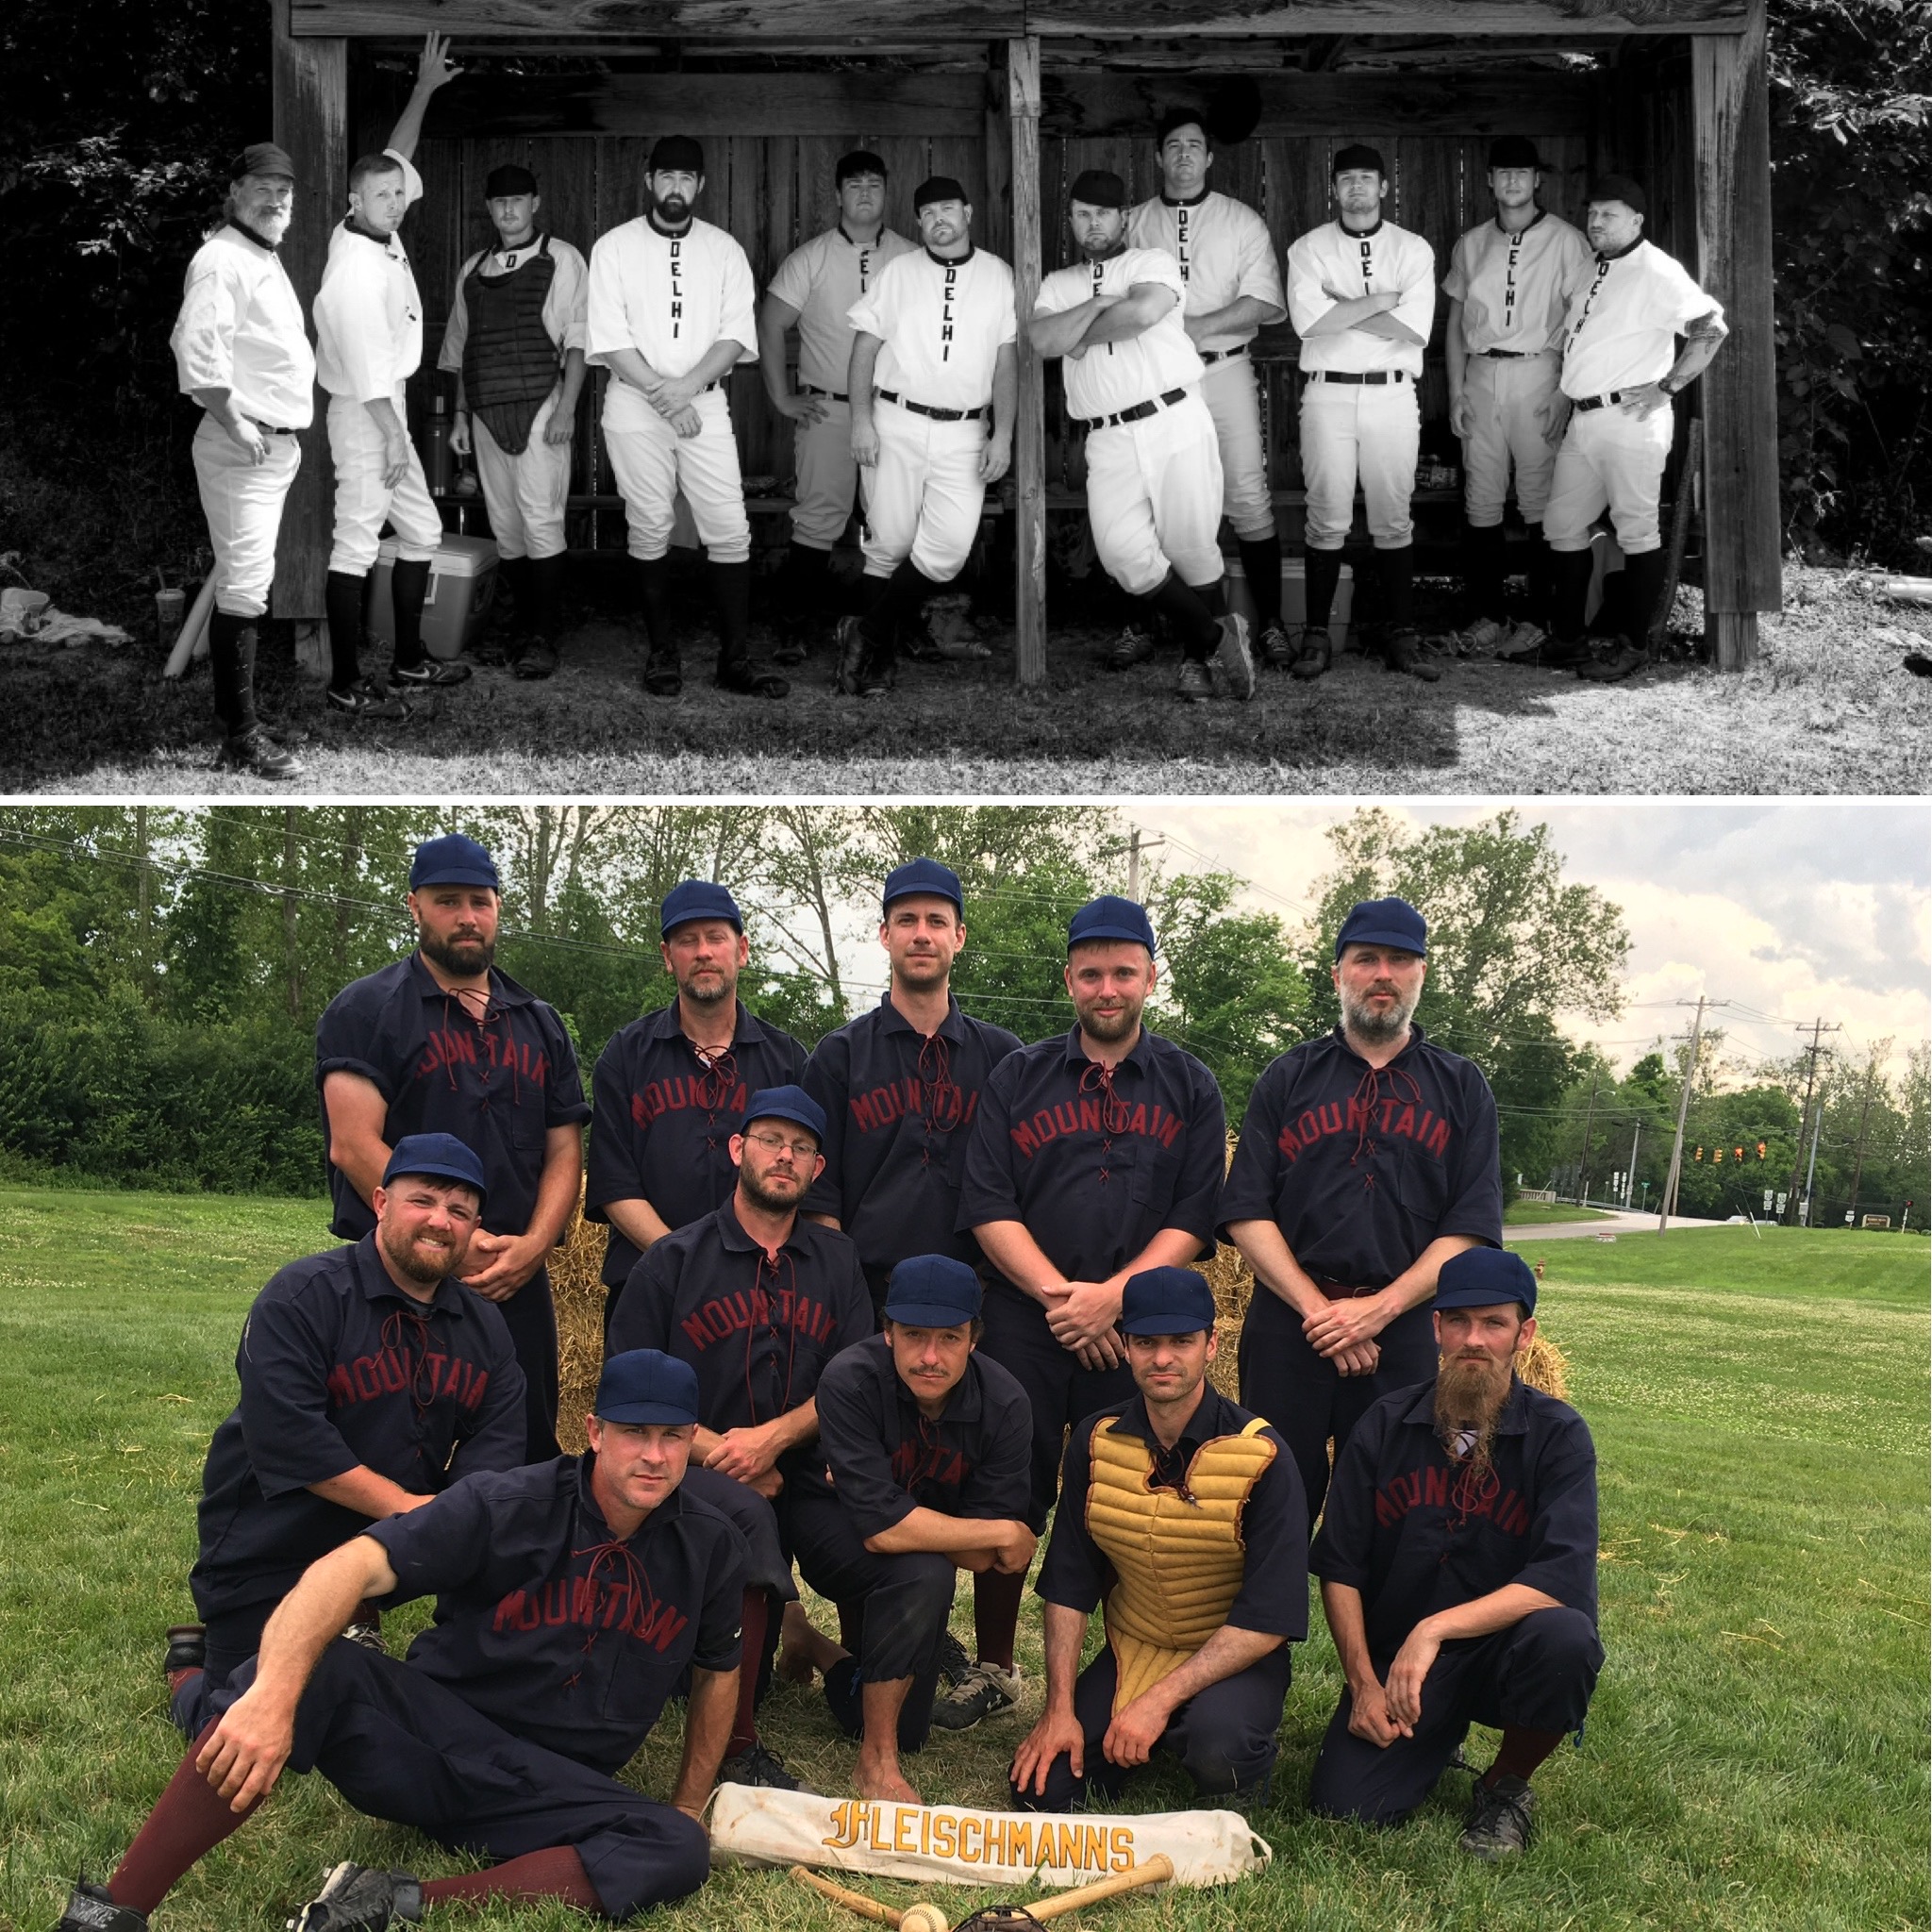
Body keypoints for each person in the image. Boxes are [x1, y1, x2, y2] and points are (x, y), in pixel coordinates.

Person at [55, 1350, 747, 1932]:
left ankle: (384, 1900)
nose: (655, 1456)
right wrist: (270, 1696)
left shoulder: (710, 1545)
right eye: (636, 1433)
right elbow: (345, 1567)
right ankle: (116, 1909)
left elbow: (720, 1669)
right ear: (594, 1431)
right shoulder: (506, 1504)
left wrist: (688, 1802)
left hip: (550, 1790)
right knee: (291, 1681)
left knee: (678, 1846)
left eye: (675, 1436)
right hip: (433, 1744)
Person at [946, 894, 1226, 1732]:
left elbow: (1194, 1214)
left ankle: (1123, 1665)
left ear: (1150, 977)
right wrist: (1063, 1300)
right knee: (1011, 1483)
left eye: (1124, 972)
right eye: (1092, 973)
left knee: (1123, 1494)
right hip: (1033, 1320)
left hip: (1140, 1331)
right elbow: (988, 1203)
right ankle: (995, 1666)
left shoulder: (1190, 1084)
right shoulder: (1018, 1076)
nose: (1108, 988)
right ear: (1069, 979)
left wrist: (1118, 1301)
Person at [165, 1134, 525, 1740]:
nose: (440, 1221)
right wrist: (418, 1514)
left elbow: (498, 1442)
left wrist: (455, 1524)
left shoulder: (485, 1326)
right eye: (424, 1200)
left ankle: (356, 1615)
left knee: (411, 1715)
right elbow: (294, 1445)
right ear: (381, 1202)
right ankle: (189, 1672)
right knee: (239, 1727)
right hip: (270, 1545)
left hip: (387, 1548)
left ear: (475, 1227)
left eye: (459, 1211)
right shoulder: (302, 1296)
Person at [607, 1085, 874, 1790]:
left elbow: (853, 1383)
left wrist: (773, 1441)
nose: (785, 1157)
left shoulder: (838, 1263)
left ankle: (870, 1663)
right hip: (692, 1466)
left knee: (873, 1520)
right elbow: (628, 1393)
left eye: (802, 1148)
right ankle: (738, 1746)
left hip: (803, 1469)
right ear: (737, 1150)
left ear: (817, 1169)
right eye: (770, 1141)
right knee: (742, 1508)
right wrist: (727, 1454)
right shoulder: (672, 1260)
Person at [1307, 1248, 1603, 1859]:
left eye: (1494, 1323)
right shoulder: (1384, 1425)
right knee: (1347, 1808)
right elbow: (1339, 1565)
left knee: (1566, 1640)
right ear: (1435, 1327)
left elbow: (1559, 1575)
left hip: (1505, 1654)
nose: (1475, 1339)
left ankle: (1505, 1784)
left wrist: (1435, 1630)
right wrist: (1363, 1682)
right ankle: (1437, 1736)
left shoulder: (1560, 1436)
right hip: (1401, 1671)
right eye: (1459, 1321)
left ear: (1524, 1335)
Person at [1220, 895, 1503, 1527]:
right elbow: (1245, 1212)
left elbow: (1471, 1226)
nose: (1382, 974)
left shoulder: (1461, 1088)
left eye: (1399, 960)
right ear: (1337, 974)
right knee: (1267, 1510)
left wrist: (1377, 1311)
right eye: (1366, 958)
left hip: (1401, 1330)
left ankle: (1382, 1630)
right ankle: (1265, 1628)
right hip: (1289, 1326)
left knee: (1391, 1515)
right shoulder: (1288, 1077)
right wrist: (1323, 1315)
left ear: (1421, 974)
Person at [315, 833, 590, 1462]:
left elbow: (564, 1153)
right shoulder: (367, 1009)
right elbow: (353, 1146)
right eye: (447, 901)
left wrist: (533, 1249)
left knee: (523, 1449)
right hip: (396, 1275)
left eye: (480, 901)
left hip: (511, 1279)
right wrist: (450, 1240)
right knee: (390, 1442)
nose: (467, 917)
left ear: (497, 908)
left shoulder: (540, 1023)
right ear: (413, 906)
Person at [1009, 1266, 1307, 1815]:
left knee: (1221, 1754)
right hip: (1137, 1643)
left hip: (1234, 1652)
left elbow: (1270, 1618)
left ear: (1212, 1345)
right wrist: (1059, 1709)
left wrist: (1158, 1701)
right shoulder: (1095, 1444)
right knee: (1039, 1793)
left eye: (1181, 1342)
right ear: (1125, 1347)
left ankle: (1209, 1730)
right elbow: (1070, 1584)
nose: (1163, 1358)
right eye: (1146, 1342)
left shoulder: (1265, 1456)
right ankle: (1151, 1729)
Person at [789, 1255, 1034, 1800]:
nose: (930, 1356)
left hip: (910, 1552)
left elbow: (980, 1560)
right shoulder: (849, 1379)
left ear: (975, 1338)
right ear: (886, 1332)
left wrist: (918, 1523)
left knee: (913, 1724)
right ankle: (875, 1761)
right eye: (913, 1335)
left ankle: (808, 1641)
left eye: (950, 1337)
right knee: (924, 1572)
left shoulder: (1006, 1404)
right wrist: (993, 1531)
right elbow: (881, 1532)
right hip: (829, 1529)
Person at [1030, 170, 1254, 704]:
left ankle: (1195, 663)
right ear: (1071, 220)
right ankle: (1217, 634)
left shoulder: (1149, 262)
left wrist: (1075, 333)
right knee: (1123, 554)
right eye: (1082, 213)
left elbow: (1145, 312)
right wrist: (1095, 306)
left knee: (1193, 546)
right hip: (1107, 435)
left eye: (1102, 213)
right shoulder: (1056, 284)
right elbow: (1041, 340)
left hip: (1171, 417)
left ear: (1123, 217)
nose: (1092, 223)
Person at [1504, 175, 1729, 683]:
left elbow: (1711, 327)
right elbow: (1586, 343)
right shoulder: (1593, 268)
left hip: (1632, 418)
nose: (1597, 222)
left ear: (1636, 220)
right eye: (1593, 214)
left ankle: (1634, 646)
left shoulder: (1656, 269)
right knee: (1562, 527)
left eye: (1609, 214)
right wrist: (1566, 394)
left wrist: (1667, 388)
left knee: (1636, 529)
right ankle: (1568, 642)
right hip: (1584, 419)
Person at [586, 135, 788, 701]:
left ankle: (734, 660)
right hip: (634, 402)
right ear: (649, 181)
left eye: (686, 178)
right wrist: (664, 393)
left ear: (700, 185)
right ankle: (662, 654)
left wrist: (687, 390)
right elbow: (609, 338)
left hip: (702, 402)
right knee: (650, 524)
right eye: (666, 176)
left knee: (728, 527)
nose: (676, 187)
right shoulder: (614, 247)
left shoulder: (724, 250)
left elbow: (734, 335)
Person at [311, 33, 468, 719]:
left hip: (387, 403)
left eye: (399, 195)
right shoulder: (352, 269)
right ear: (354, 198)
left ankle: (407, 664)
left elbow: (396, 157)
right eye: (382, 196)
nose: (396, 203)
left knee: (424, 533)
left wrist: (425, 87)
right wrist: (399, 441)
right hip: (365, 412)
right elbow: (369, 377)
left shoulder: (380, 225)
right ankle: (345, 682)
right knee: (354, 542)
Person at [802, 858, 1022, 1320]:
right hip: (868, 1297)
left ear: (958, 937)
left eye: (936, 921)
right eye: (906, 920)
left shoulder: (1005, 1057)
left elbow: (1023, 1187)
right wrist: (847, 1293)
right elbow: (820, 1195)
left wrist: (988, 1281)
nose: (921, 934)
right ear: (885, 935)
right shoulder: (838, 1056)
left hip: (980, 1300)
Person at [586, 879, 808, 1334]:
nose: (703, 952)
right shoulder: (626, 1056)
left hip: (760, 1289)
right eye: (687, 941)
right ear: (668, 957)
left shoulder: (788, 1060)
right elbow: (614, 1185)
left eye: (715, 938)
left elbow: (802, 1178)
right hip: (647, 1283)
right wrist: (682, 1261)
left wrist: (739, 1267)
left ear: (741, 950)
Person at [834, 177, 1018, 697]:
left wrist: (1001, 436)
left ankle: (863, 631)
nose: (940, 218)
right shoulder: (899, 272)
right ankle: (879, 662)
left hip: (965, 430)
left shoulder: (999, 275)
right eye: (929, 211)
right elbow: (864, 350)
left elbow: (1007, 365)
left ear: (969, 212)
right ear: (918, 221)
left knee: (947, 552)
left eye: (948, 208)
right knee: (888, 543)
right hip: (897, 422)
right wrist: (861, 420)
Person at [1125, 112, 1291, 670]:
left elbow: (1267, 302)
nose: (1184, 155)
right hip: (1155, 378)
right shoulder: (1134, 223)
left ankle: (1270, 624)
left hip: (1224, 369)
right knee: (1151, 498)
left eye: (1194, 145)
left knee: (1246, 493)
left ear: (1210, 158)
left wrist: (1197, 327)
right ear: (1158, 157)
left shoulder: (1240, 221)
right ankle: (1144, 624)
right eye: (1172, 145)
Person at [167, 142, 312, 779]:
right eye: (263, 187)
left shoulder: (258, 255)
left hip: (269, 444)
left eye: (284, 189)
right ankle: (242, 735)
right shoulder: (221, 258)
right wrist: (237, 423)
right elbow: (199, 351)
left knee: (246, 581)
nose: (277, 198)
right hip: (241, 443)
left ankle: (242, 716)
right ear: (235, 191)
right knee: (245, 589)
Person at [1284, 144, 1440, 682]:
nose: (1356, 188)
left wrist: (1342, 304)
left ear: (1384, 188)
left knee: (1393, 517)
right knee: (1326, 515)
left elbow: (1415, 331)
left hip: (1393, 393)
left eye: (1366, 179)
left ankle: (1402, 635)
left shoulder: (1413, 248)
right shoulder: (1308, 248)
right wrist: (1385, 300)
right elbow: (1310, 325)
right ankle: (1317, 637)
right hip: (1328, 392)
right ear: (1333, 188)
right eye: (1346, 179)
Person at [758, 150, 916, 658]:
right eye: (855, 185)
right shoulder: (813, 256)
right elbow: (770, 322)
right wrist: (782, 397)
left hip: (892, 410)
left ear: (886, 191)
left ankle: (885, 631)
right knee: (817, 518)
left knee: (892, 520)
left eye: (874, 184)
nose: (865, 193)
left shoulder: (911, 258)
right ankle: (795, 629)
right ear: (839, 194)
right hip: (829, 408)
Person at [1440, 137, 1594, 654]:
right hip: (1483, 373)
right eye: (1502, 172)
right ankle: (1487, 616)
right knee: (1481, 498)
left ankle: (1537, 619)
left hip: (1540, 372)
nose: (1511, 181)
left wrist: (1564, 393)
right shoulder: (1471, 242)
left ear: (1536, 180)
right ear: (1488, 180)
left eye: (1521, 172)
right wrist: (1457, 390)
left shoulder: (1567, 241)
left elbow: (1581, 323)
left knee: (1537, 500)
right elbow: (1456, 320)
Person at [438, 161, 590, 680]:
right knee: (506, 526)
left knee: (541, 519)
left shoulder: (562, 259)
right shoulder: (473, 268)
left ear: (535, 204)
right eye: (500, 203)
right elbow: (465, 350)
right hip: (485, 409)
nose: (509, 210)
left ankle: (542, 636)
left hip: (540, 405)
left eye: (518, 201)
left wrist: (566, 408)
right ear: (489, 208)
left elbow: (577, 341)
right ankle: (518, 628)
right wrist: (460, 413)